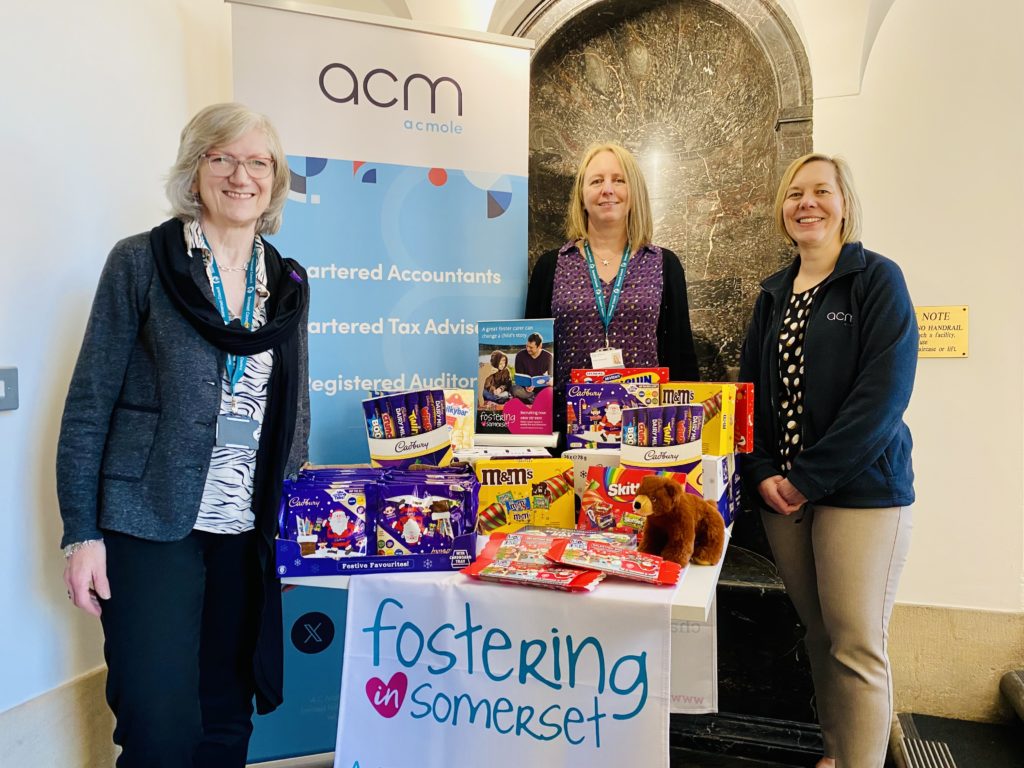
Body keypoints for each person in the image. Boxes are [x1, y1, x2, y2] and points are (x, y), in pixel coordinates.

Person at [56, 103, 310, 768]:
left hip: (243, 527)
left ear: (275, 179)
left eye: (259, 162)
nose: (240, 175)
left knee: (227, 712)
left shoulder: (286, 282)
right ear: (195, 169)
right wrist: (81, 531)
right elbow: (89, 403)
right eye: (222, 157)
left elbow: (297, 410)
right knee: (157, 721)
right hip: (149, 524)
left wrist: (283, 529)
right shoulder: (141, 262)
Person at [739, 153, 916, 768]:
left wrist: (808, 479)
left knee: (857, 645)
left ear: (845, 204)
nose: (806, 203)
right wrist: (761, 472)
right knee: (819, 637)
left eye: (821, 191)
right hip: (782, 497)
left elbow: (882, 397)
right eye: (795, 193)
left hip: (860, 492)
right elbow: (750, 397)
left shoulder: (876, 280)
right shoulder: (771, 296)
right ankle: (838, 755)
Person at [525, 142, 699, 435]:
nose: (607, 189)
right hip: (566, 434)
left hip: (646, 431)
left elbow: (681, 356)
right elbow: (530, 354)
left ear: (635, 194)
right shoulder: (550, 266)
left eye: (618, 180)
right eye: (596, 181)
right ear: (582, 196)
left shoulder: (664, 264)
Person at [509, 332, 554, 404]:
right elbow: (520, 376)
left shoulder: (548, 357)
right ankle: (535, 399)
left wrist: (551, 381)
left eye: (531, 347)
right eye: (527, 346)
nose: (528, 349)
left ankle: (533, 399)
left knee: (551, 389)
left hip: (541, 388)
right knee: (514, 389)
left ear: (539, 346)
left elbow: (551, 375)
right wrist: (526, 386)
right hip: (525, 389)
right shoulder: (520, 355)